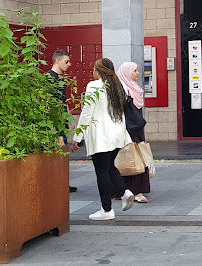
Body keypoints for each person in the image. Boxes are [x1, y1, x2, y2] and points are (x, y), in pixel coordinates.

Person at [71, 58, 135, 221]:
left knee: (101, 171)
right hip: (117, 135)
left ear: (98, 71)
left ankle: (106, 210)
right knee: (109, 167)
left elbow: (86, 113)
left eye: (93, 69)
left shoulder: (94, 86)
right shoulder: (120, 86)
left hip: (100, 136)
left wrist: (77, 136)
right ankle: (124, 192)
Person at [116, 61, 150, 203]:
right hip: (128, 129)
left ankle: (126, 190)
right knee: (129, 157)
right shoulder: (123, 89)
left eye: (137, 70)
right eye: (135, 71)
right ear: (126, 72)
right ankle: (134, 191)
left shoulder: (134, 88)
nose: (137, 73)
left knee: (135, 156)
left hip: (136, 128)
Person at [46, 50, 76, 193]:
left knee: (63, 151)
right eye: (66, 61)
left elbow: (64, 102)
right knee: (57, 152)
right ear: (57, 61)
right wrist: (50, 124)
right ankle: (57, 183)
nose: (69, 64)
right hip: (54, 122)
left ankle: (62, 182)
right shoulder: (48, 77)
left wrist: (69, 118)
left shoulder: (61, 78)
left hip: (62, 121)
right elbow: (45, 101)